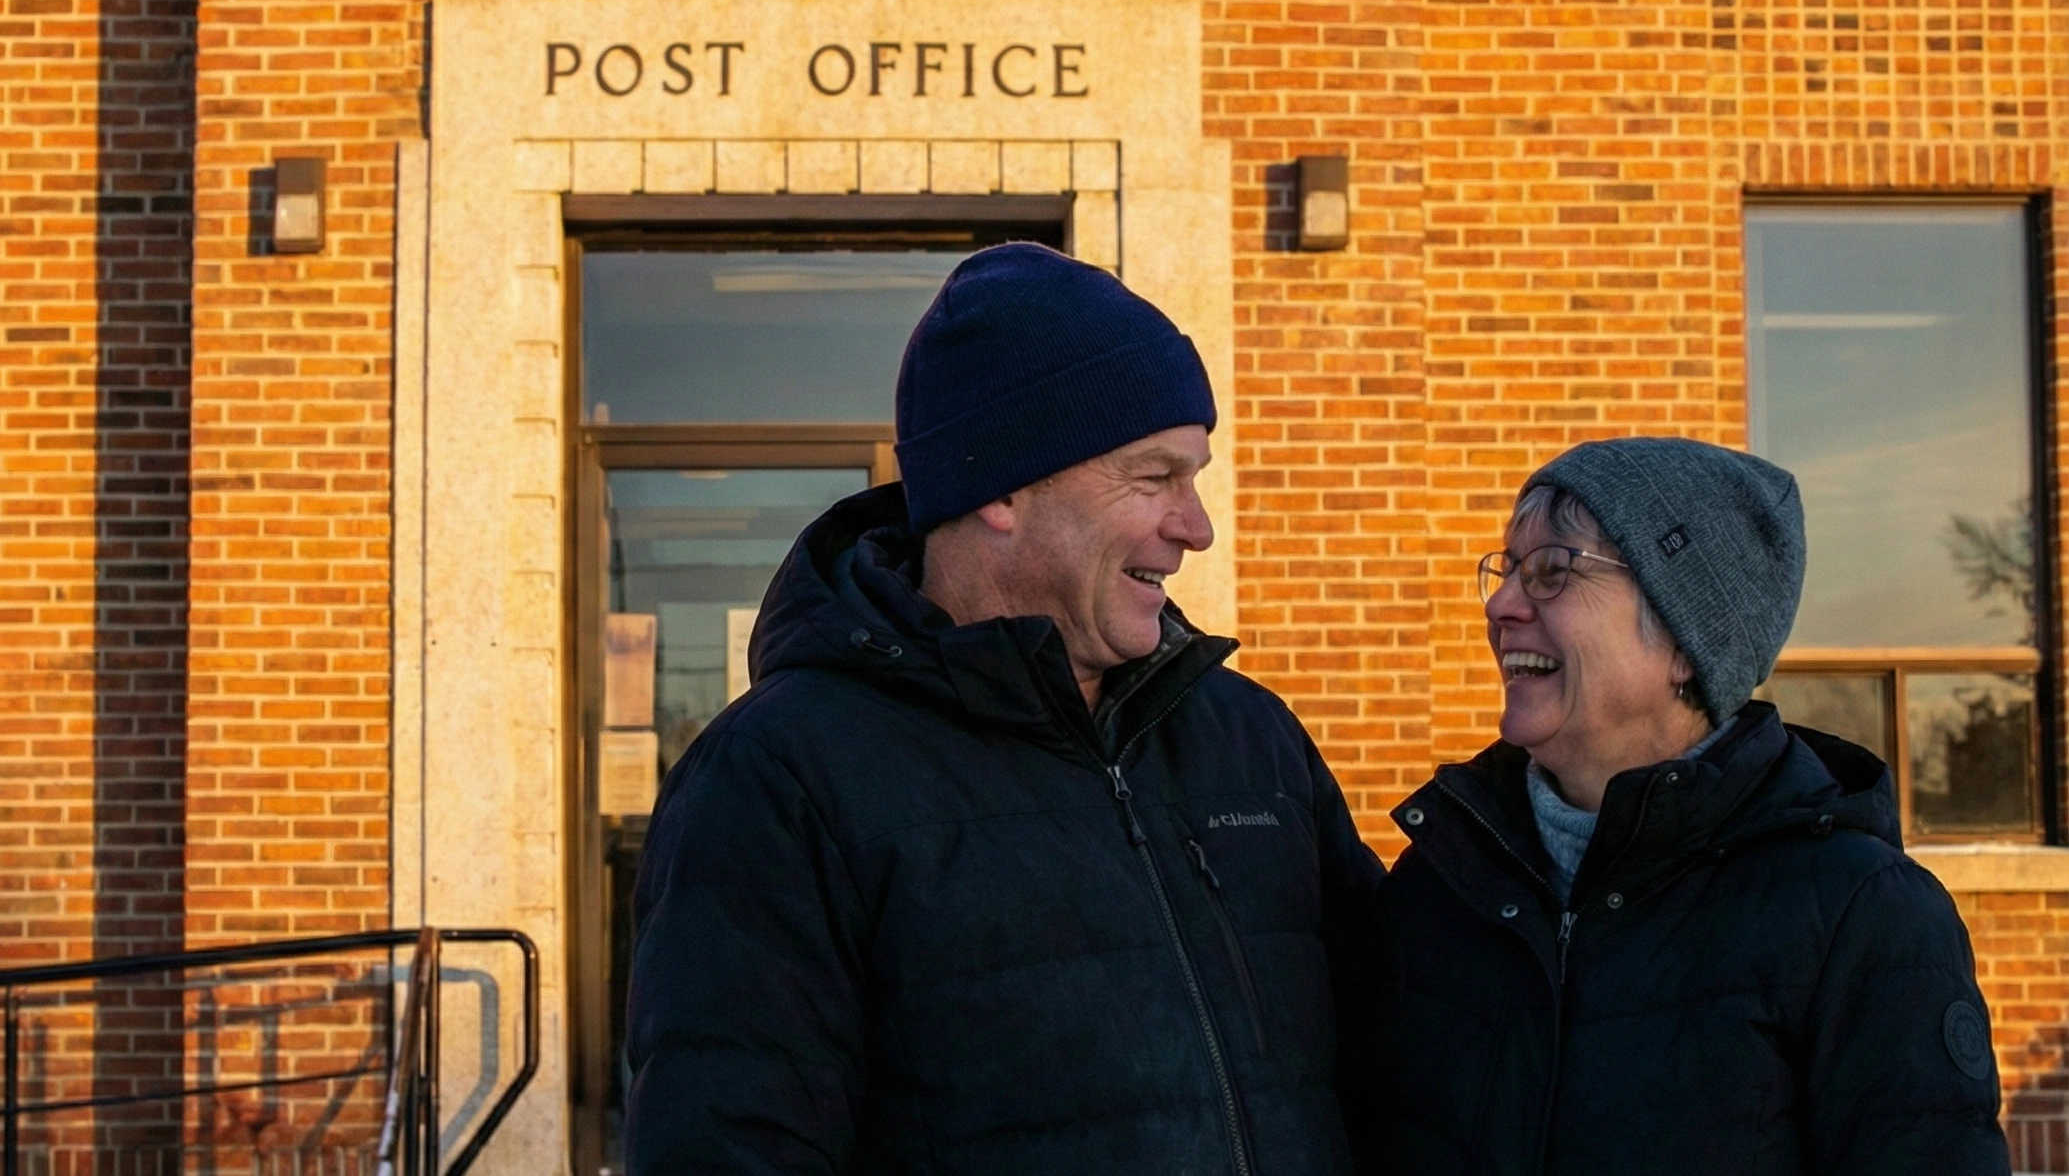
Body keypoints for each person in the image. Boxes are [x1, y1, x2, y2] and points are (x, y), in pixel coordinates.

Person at [624, 243, 1385, 1176]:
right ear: (1000, 491)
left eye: (1195, 477)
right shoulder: (780, 776)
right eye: (1154, 478)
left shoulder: (1248, 739)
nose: (1195, 525)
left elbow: (1414, 1055)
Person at [1351, 436, 2009, 1175]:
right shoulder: (1436, 890)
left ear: (1684, 644)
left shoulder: (1857, 917)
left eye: (1550, 573)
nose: (1502, 606)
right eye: (1505, 572)